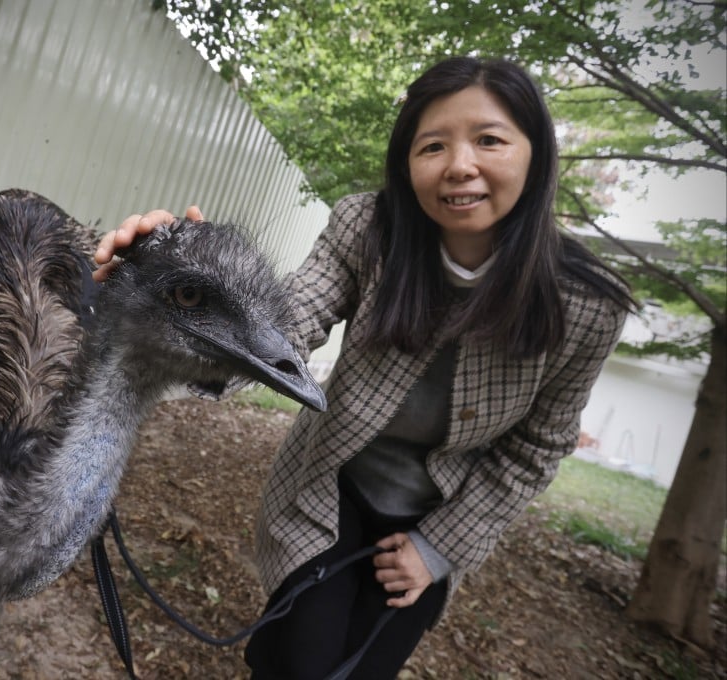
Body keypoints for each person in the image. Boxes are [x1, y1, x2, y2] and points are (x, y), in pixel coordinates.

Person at [94, 56, 635, 679]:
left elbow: (536, 449)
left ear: (536, 154)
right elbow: (286, 325)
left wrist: (438, 550)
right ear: (407, 163)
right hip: (328, 489)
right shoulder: (366, 229)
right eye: (433, 145)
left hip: (442, 511)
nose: (461, 165)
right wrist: (187, 286)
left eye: (489, 139)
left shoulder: (589, 306)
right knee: (297, 661)